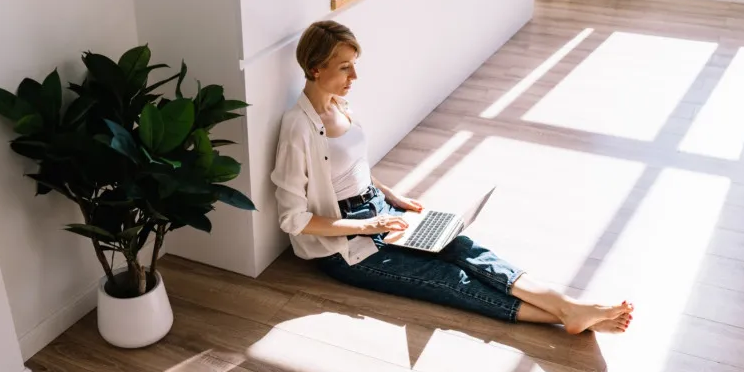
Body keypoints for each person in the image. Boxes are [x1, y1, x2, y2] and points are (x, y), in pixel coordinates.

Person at [270, 21, 633, 334]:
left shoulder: (340, 105)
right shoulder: (298, 127)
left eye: (354, 65)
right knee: (444, 279)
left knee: (461, 247)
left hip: (380, 212)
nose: (355, 76)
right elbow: (293, 219)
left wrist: (391, 196)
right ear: (316, 69)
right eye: (345, 67)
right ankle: (568, 316)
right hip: (347, 246)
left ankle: (568, 307)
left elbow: (349, 169)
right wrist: (366, 226)